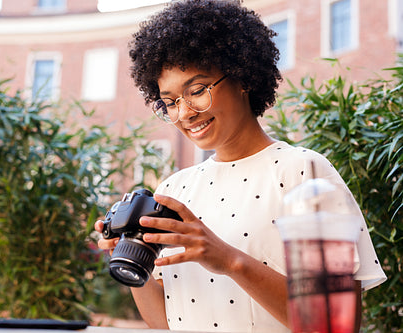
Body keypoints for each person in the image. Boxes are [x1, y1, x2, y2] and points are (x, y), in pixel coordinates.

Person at [95, 0, 387, 331]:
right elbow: (165, 322)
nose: (185, 113)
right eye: (170, 102)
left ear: (242, 77)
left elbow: (336, 324)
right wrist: (129, 258)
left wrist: (230, 261)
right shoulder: (173, 191)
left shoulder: (304, 173)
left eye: (198, 90)